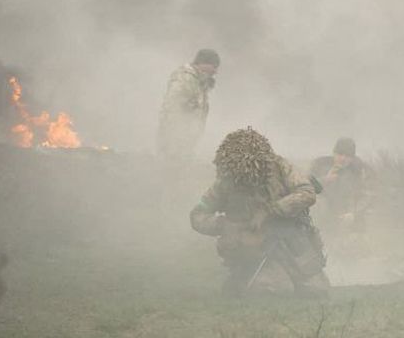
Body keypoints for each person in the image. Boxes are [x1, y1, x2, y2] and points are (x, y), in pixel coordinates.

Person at [190, 127, 330, 296]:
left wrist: (270, 211)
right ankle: (242, 279)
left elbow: (306, 193)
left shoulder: (280, 167)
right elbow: (198, 214)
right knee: (275, 289)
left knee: (317, 289)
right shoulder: (225, 182)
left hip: (291, 241)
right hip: (254, 249)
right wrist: (225, 225)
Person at [157, 49, 219, 160]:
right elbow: (172, 105)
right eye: (214, 66)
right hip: (174, 140)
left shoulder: (201, 82)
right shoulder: (185, 78)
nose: (215, 71)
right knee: (171, 168)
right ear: (203, 63)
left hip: (187, 142)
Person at [312, 137, 373, 248]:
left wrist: (353, 213)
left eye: (348, 156)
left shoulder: (358, 171)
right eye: (340, 154)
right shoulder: (320, 166)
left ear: (352, 158)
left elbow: (366, 196)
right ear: (334, 153)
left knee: (355, 247)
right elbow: (305, 187)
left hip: (347, 215)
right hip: (323, 215)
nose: (343, 159)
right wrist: (326, 180)